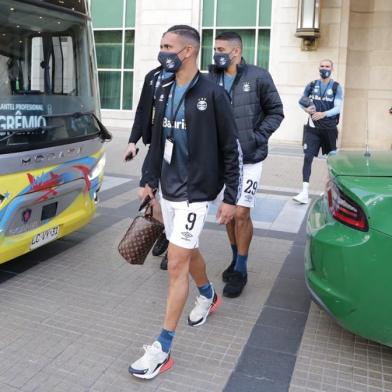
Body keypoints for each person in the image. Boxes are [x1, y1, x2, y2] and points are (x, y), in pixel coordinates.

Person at [128, 26, 242, 379]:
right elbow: (158, 141)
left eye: (167, 46)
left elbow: (230, 150)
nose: (161, 51)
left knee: (176, 262)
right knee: (187, 250)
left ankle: (162, 348)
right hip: (168, 188)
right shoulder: (162, 88)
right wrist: (149, 181)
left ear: (188, 51)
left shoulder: (213, 93)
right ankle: (208, 294)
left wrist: (231, 198)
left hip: (196, 193)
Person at [208, 31, 284, 298]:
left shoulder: (258, 76)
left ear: (236, 52)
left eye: (220, 48)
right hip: (221, 159)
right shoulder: (210, 78)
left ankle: (241, 269)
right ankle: (234, 257)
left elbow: (276, 110)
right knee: (228, 213)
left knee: (241, 213)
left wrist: (256, 137)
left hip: (249, 158)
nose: (215, 52)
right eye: (214, 48)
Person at [123, 27, 195, 268]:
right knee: (152, 195)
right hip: (156, 146)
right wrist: (133, 142)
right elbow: (143, 110)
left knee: (176, 200)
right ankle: (164, 233)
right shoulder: (153, 77)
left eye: (168, 48)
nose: (163, 53)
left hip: (179, 149)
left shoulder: (189, 81)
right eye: (161, 47)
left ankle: (173, 246)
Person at [293, 59, 343, 204]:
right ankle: (304, 192)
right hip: (312, 128)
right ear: (318, 68)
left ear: (332, 69)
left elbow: (338, 108)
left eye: (327, 66)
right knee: (307, 157)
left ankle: (329, 190)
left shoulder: (336, 87)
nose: (324, 68)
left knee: (331, 161)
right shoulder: (312, 85)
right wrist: (306, 109)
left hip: (329, 129)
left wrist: (324, 114)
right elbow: (300, 101)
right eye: (322, 66)